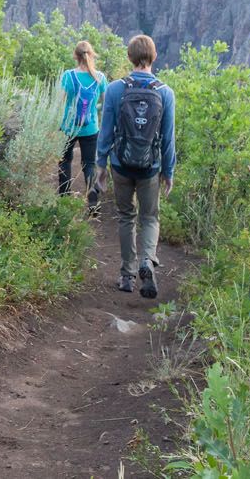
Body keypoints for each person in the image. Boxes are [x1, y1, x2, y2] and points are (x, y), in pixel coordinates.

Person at [97, 34, 175, 299]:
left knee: (126, 216)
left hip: (120, 164)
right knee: (150, 217)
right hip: (149, 168)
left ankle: (127, 276)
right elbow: (168, 137)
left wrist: (100, 165)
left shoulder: (116, 89)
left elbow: (105, 131)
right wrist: (168, 171)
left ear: (129, 57)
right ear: (154, 57)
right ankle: (147, 261)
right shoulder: (165, 93)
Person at [58, 41, 107, 213]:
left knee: (64, 161)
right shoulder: (100, 77)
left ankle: (64, 201)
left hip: (68, 127)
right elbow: (105, 104)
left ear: (75, 56)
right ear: (91, 55)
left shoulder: (67, 76)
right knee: (89, 164)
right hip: (91, 128)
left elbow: (59, 102)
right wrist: (94, 109)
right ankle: (93, 203)